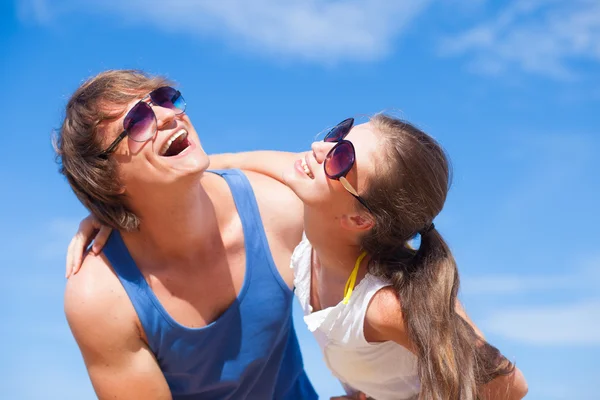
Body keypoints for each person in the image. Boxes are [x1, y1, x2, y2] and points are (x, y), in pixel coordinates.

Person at [69, 113, 528, 399]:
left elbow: (509, 386)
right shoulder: (309, 240)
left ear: (359, 220)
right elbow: (229, 162)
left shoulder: (387, 303)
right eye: (339, 131)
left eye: (341, 157)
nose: (317, 148)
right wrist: (119, 210)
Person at [56, 69, 320, 399]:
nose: (168, 116)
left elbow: (351, 189)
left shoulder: (276, 211)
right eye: (137, 121)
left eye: (164, 99)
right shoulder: (101, 297)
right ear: (108, 179)